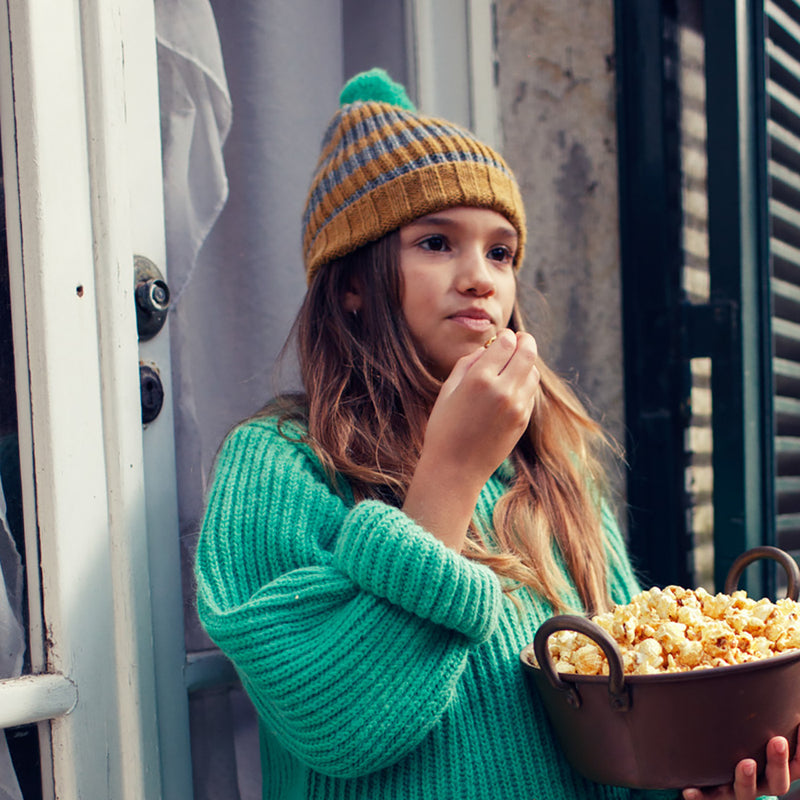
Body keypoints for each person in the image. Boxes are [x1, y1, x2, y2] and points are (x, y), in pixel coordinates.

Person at [194, 68, 799, 800]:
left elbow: (626, 709)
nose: (481, 278)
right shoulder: (279, 464)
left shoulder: (548, 458)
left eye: (501, 251)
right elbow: (338, 725)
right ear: (352, 282)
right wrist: (451, 471)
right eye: (437, 243)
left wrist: (700, 778)